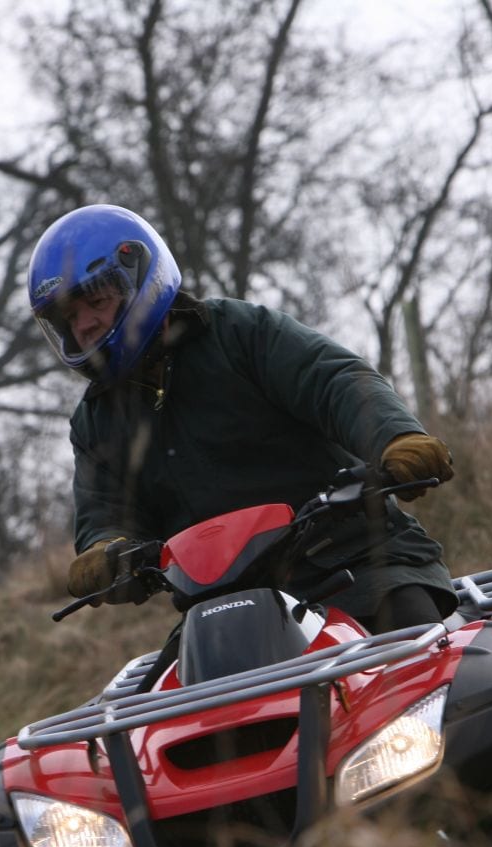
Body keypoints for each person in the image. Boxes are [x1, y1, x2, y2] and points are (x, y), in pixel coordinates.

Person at [29, 203, 458, 633]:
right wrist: (106, 552)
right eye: (70, 316)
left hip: (355, 564)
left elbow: (335, 381)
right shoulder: (94, 420)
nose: (85, 324)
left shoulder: (239, 333)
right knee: (168, 696)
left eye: (97, 301)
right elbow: (107, 510)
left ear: (142, 277)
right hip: (221, 607)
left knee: (418, 659)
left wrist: (395, 437)